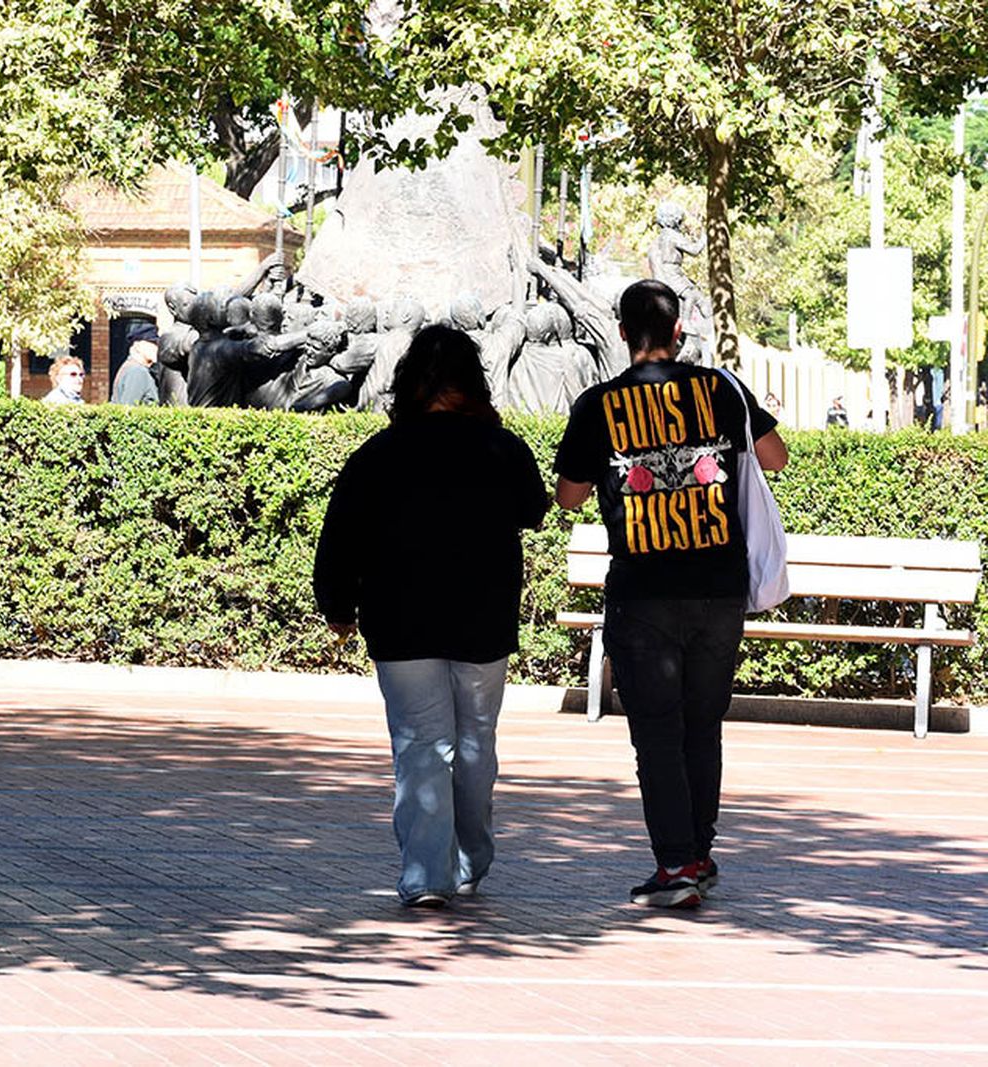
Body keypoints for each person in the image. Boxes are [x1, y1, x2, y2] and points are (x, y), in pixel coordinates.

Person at [553, 279, 788, 909]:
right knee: (702, 725)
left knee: (657, 732)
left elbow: (569, 496)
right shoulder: (719, 389)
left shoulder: (597, 405)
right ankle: (699, 851)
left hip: (644, 591)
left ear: (624, 332)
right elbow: (776, 457)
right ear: (678, 331)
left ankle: (677, 862)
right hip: (719, 590)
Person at [314, 324, 550, 908]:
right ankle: (470, 859)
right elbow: (535, 511)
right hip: (483, 617)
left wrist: (337, 606)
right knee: (475, 742)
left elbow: (339, 537)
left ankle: (426, 876)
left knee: (421, 744)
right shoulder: (501, 448)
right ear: (474, 383)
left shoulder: (378, 455)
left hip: (401, 620)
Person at [110, 326, 160, 405]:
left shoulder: (132, 367)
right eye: (152, 344)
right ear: (138, 346)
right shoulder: (137, 371)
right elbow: (129, 409)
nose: (156, 348)